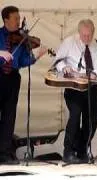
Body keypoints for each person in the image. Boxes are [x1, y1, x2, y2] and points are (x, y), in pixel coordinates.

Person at [54, 19, 97, 163]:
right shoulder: (69, 42)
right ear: (79, 32)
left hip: (92, 87)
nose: (87, 38)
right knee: (75, 116)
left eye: (89, 35)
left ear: (93, 32)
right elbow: (57, 60)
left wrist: (96, 73)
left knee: (92, 118)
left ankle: (83, 150)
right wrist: (64, 68)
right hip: (74, 87)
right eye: (84, 35)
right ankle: (68, 151)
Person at [0, 6, 47, 164]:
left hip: (12, 78)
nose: (19, 22)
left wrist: (36, 57)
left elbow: (22, 61)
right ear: (6, 19)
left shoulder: (21, 37)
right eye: (16, 19)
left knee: (9, 116)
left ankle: (5, 153)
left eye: (19, 19)